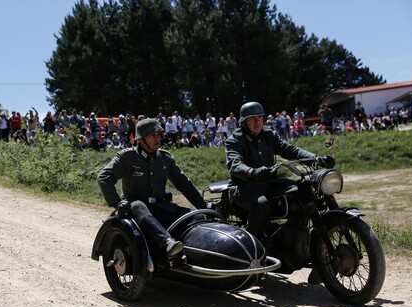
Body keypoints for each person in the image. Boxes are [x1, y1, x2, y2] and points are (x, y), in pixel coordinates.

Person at [97, 118, 207, 259]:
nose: (157, 139)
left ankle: (195, 252)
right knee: (138, 205)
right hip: (135, 210)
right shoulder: (127, 157)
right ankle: (167, 243)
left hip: (159, 206)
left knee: (196, 217)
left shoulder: (166, 158)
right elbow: (104, 177)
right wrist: (116, 202)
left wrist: (204, 207)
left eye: (159, 135)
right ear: (141, 139)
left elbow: (185, 185)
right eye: (153, 136)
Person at [225, 101, 332, 238]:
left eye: (259, 118)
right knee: (261, 204)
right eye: (252, 119)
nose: (257, 122)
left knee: (304, 190)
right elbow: (235, 164)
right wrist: (252, 172)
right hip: (245, 186)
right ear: (243, 122)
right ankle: (251, 242)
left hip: (270, 182)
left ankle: (297, 237)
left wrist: (316, 158)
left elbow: (288, 149)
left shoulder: (268, 135)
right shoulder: (234, 140)